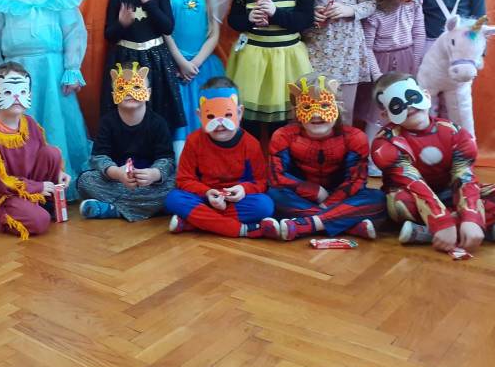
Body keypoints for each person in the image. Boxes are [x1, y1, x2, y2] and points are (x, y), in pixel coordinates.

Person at [0, 0, 90, 200]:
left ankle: (60, 184)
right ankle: (24, 185)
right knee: (20, 124)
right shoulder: (1, 1)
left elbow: (74, 34)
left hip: (52, 72)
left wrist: (72, 68)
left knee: (55, 124)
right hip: (15, 74)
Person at [371, 72, 495, 252]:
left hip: (449, 191)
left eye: (412, 96)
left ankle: (427, 233)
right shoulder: (386, 143)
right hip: (413, 197)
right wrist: (441, 220)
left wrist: (471, 216)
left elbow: (463, 177)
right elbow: (413, 183)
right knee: (399, 204)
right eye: (396, 105)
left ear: (426, 96)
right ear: (386, 114)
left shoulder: (455, 133)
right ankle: (471, 228)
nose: (409, 106)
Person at [267, 73, 386, 240]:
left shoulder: (354, 137)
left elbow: (356, 181)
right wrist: (314, 192)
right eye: (307, 107)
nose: (316, 114)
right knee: (274, 195)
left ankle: (308, 224)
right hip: (301, 197)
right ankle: (348, 225)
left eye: (324, 105)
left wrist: (329, 203)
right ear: (296, 111)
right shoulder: (283, 136)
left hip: (343, 197)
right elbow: (276, 178)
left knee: (378, 199)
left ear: (338, 108)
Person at [225, 0, 316, 141]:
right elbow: (233, 20)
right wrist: (249, 19)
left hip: (287, 59)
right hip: (253, 59)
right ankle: (251, 156)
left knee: (285, 122)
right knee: (249, 120)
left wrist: (275, 13)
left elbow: (305, 20)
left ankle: (280, 157)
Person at [164, 77, 281, 238]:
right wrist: (207, 192)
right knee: (173, 199)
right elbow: (184, 179)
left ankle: (194, 221)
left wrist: (243, 190)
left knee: (264, 205)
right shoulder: (193, 141)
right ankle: (241, 229)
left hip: (237, 201)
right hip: (205, 198)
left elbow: (261, 181)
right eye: (210, 116)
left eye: (227, 114)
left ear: (239, 113)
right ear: (199, 115)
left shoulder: (251, 144)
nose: (220, 123)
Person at [0, 62, 70, 240]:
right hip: (2, 195)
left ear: (29, 95)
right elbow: (0, 182)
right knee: (40, 221)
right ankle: (4, 215)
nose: (17, 97)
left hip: (25, 186)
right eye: (8, 92)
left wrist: (59, 172)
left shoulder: (29, 123)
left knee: (51, 152)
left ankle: (37, 203)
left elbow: (44, 154)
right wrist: (37, 187)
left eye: (23, 92)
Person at [104, 0, 186, 132]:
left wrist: (149, 2)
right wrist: (121, 24)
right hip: (126, 59)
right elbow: (109, 35)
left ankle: (160, 144)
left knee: (158, 104)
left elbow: (167, 27)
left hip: (157, 59)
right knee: (129, 104)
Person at [354, 0, 427, 177]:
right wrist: (378, 76)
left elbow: (418, 32)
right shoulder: (376, 13)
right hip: (382, 63)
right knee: (378, 115)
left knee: (405, 112)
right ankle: (371, 159)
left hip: (405, 60)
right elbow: (367, 47)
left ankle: (402, 157)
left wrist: (415, 65)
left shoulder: (414, 5)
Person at [76, 63, 175, 221]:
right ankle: (145, 208)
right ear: (114, 94)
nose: (129, 92)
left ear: (148, 93)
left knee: (175, 185)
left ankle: (114, 209)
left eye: (136, 87)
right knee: (85, 181)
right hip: (118, 180)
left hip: (148, 182)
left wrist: (154, 174)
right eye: (122, 88)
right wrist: (117, 173)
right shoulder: (107, 122)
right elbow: (99, 157)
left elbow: (167, 159)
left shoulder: (158, 123)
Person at [164, 0, 228, 159]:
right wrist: (182, 62)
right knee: (180, 112)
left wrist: (196, 63)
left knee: (205, 108)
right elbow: (166, 32)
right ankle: (180, 160)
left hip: (203, 67)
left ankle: (208, 157)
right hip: (175, 65)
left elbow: (214, 35)